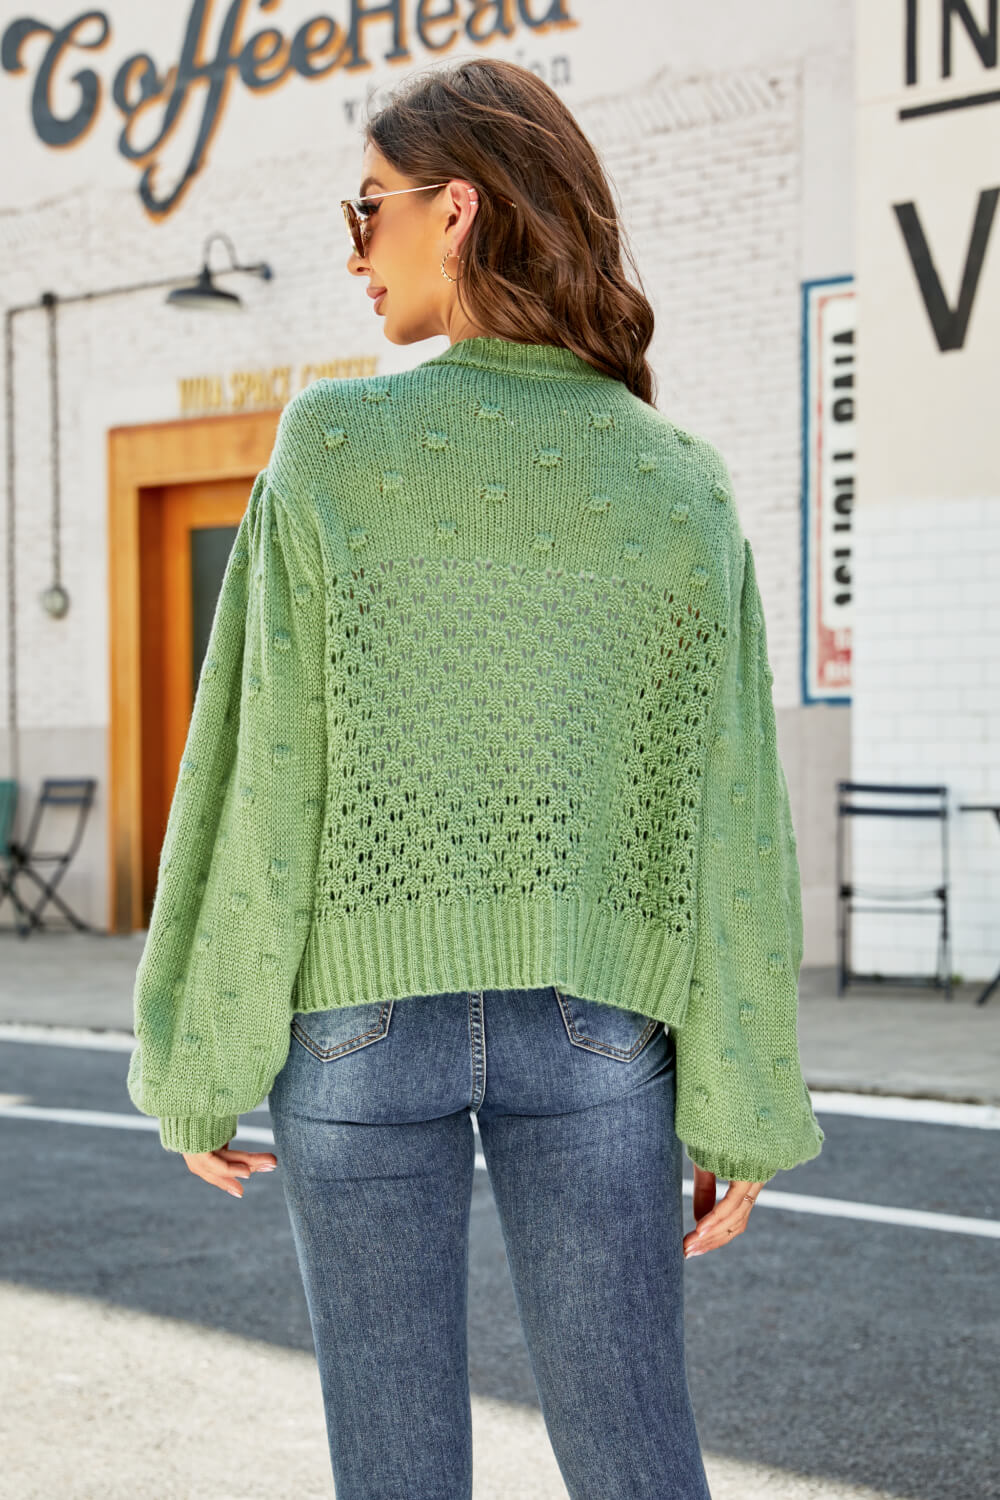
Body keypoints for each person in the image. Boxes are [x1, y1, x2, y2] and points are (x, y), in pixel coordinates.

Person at [127, 56, 824, 1500]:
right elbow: (731, 824)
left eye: (365, 207)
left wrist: (199, 1061)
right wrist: (742, 1095)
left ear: (455, 211)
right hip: (598, 1024)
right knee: (636, 1449)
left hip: (356, 1030)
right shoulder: (680, 481)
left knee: (395, 1470)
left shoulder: (332, 447)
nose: (352, 249)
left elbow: (259, 775)